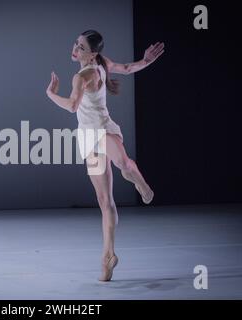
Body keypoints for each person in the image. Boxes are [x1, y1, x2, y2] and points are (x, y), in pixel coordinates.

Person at [46, 30, 164, 281]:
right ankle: (108, 255)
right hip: (90, 137)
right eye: (76, 44)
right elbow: (127, 68)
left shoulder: (83, 76)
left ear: (92, 53)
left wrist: (50, 94)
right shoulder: (102, 63)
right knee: (104, 200)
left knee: (122, 163)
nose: (75, 48)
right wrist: (146, 61)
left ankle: (141, 185)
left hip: (101, 129)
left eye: (81, 47)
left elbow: (72, 106)